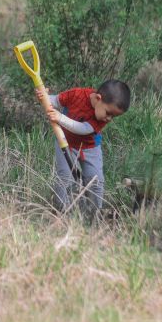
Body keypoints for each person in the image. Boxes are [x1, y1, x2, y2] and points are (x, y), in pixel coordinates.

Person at [35, 79, 130, 221]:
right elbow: (54, 101)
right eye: (109, 113)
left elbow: (83, 129)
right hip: (65, 142)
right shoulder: (76, 94)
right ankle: (61, 213)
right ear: (98, 99)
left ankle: (93, 216)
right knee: (64, 178)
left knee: (95, 181)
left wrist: (60, 118)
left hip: (91, 149)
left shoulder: (100, 119)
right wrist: (44, 97)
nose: (109, 119)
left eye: (113, 116)